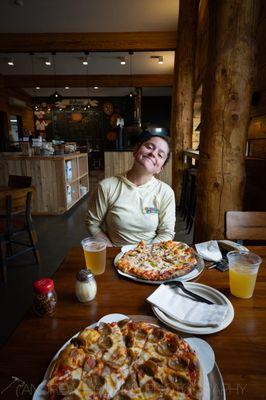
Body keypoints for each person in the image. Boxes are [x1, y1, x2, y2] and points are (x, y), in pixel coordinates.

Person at [85, 133, 176, 246]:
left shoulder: (165, 192)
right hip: (115, 253)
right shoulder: (107, 186)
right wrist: (111, 249)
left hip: (150, 256)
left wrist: (145, 254)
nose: (153, 153)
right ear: (136, 152)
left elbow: (166, 233)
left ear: (160, 169)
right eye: (149, 147)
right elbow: (92, 223)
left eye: (160, 155)